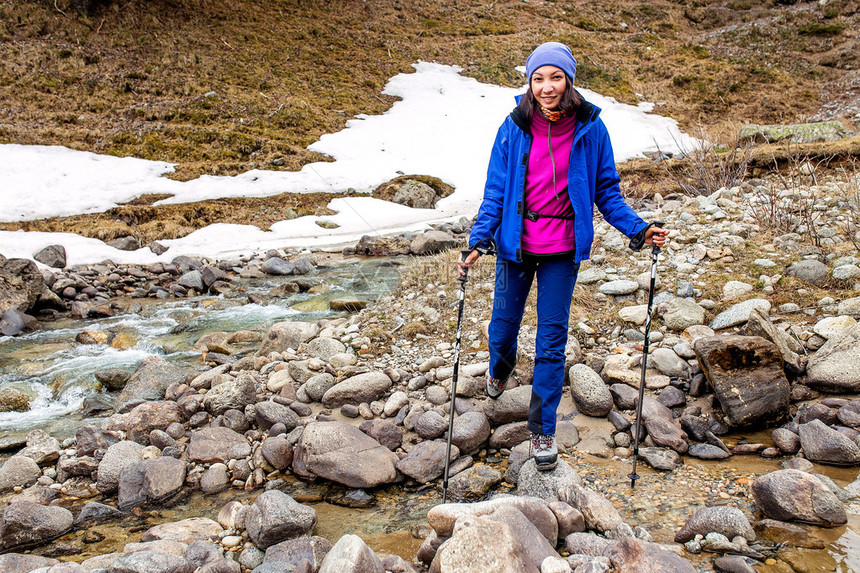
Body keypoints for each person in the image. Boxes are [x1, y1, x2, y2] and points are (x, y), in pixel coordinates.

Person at [459, 42, 668, 471]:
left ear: (568, 79)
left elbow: (607, 191)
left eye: (555, 77)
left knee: (551, 342)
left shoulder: (591, 128)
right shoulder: (514, 125)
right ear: (529, 82)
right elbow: (495, 190)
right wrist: (478, 240)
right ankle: (500, 367)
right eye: (538, 78)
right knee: (502, 329)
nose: (547, 87)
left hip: (563, 248)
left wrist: (639, 228)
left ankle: (542, 432)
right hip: (515, 244)